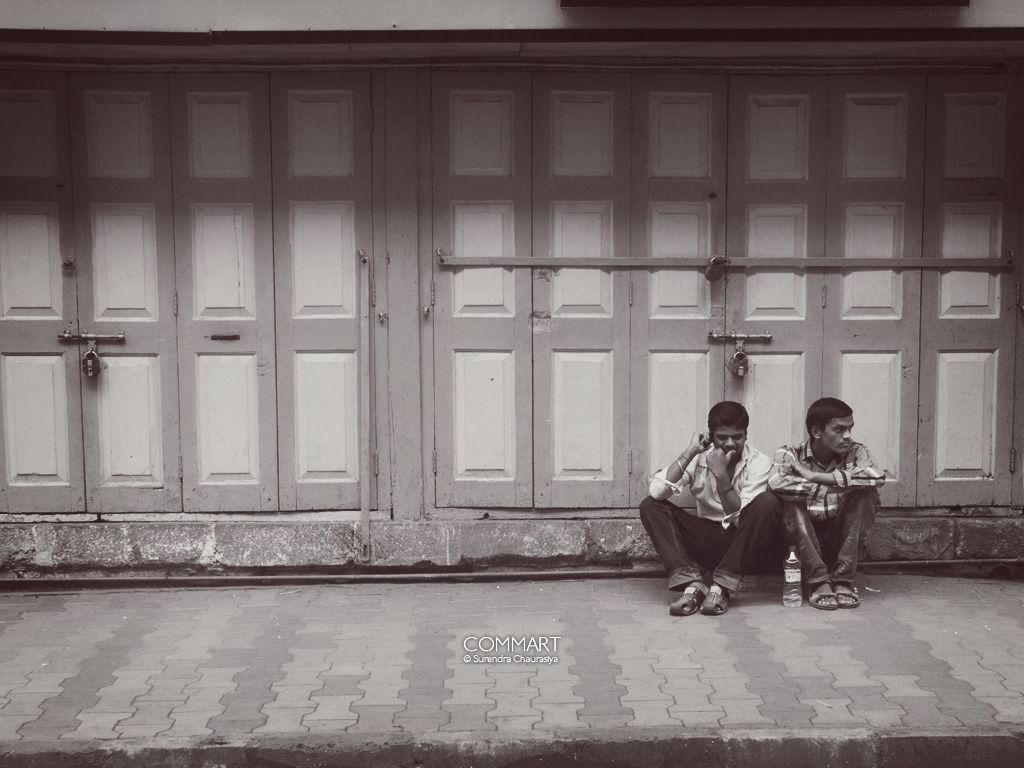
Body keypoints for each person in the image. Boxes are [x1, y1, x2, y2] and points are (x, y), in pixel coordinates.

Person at [639, 401, 780, 617]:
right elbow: (657, 491)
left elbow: (741, 520)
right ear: (711, 436)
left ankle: (721, 586)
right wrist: (690, 452)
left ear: (746, 435)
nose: (730, 444)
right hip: (707, 538)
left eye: (737, 437)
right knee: (650, 506)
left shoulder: (758, 462)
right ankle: (692, 582)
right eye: (722, 437)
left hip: (742, 544)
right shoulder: (699, 457)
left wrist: (721, 475)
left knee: (768, 502)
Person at [768, 397, 884, 610]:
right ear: (816, 432)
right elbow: (776, 482)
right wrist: (840, 484)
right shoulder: (790, 453)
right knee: (791, 501)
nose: (847, 436)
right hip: (800, 546)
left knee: (867, 494)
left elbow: (876, 476)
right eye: (839, 430)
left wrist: (815, 477)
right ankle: (819, 581)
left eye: (849, 429)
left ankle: (843, 579)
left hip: (839, 542)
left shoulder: (856, 452)